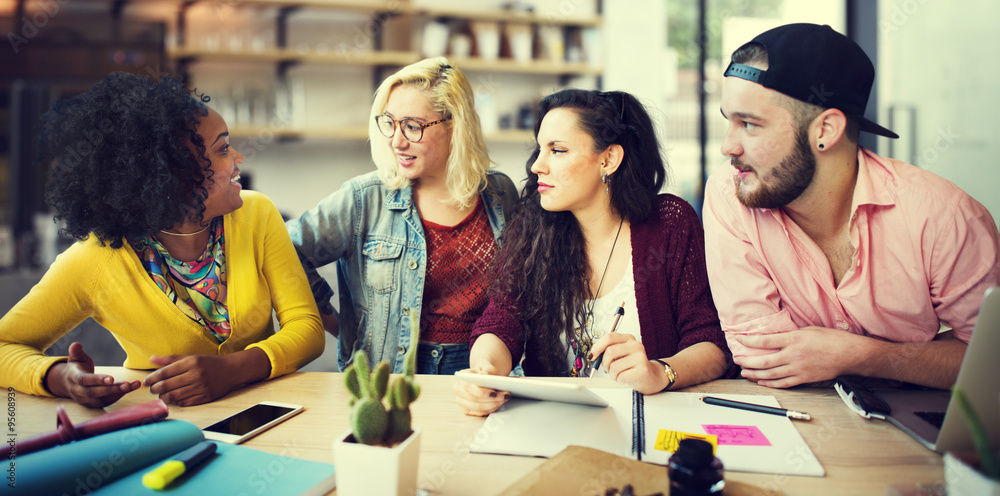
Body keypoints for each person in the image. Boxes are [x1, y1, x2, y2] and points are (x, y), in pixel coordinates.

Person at [0, 72, 325, 408]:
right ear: (175, 176)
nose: (238, 159)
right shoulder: (95, 260)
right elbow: (4, 346)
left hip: (266, 417)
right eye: (223, 149)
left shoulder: (257, 215)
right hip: (163, 427)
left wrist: (231, 370)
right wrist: (61, 378)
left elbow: (306, 327)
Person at [705, 23, 1000, 390]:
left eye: (749, 124)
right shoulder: (730, 192)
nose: (727, 147)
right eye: (728, 122)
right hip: (796, 422)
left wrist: (861, 356)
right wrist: (918, 359)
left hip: (919, 440)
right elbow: (763, 358)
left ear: (825, 130)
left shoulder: (944, 217)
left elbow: (991, 363)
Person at [456, 89, 733, 416]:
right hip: (555, 422)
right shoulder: (533, 227)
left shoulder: (671, 224)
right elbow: (501, 324)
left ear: (608, 159)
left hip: (648, 420)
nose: (537, 166)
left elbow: (712, 343)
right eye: (540, 149)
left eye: (557, 150)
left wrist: (661, 371)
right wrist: (485, 371)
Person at [286, 57, 518, 375]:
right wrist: (339, 325)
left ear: (455, 125)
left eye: (412, 126)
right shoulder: (363, 198)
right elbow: (285, 248)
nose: (396, 140)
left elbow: (515, 291)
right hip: (392, 375)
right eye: (390, 123)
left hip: (482, 370)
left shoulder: (499, 192)